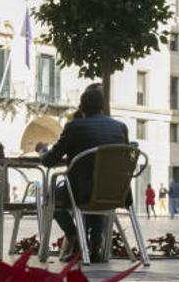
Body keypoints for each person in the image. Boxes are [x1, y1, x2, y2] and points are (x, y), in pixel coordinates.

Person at [41, 87, 129, 263]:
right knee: (96, 190)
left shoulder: (74, 127)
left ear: (81, 108)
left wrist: (42, 150)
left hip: (82, 193)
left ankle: (74, 236)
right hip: (116, 192)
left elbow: (50, 160)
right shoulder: (121, 127)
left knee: (51, 199)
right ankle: (96, 243)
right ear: (103, 107)